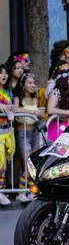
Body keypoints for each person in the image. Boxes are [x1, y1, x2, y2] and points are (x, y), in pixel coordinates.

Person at [13, 72, 45, 202]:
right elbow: (15, 109)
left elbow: (38, 114)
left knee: (33, 163)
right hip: (22, 132)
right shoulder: (17, 98)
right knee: (26, 163)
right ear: (22, 84)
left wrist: (39, 114)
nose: (32, 85)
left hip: (34, 133)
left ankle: (31, 190)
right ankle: (21, 192)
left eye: (33, 83)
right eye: (29, 83)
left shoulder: (36, 99)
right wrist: (33, 112)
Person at [0, 65, 14, 205]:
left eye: (5, 73)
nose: (4, 76)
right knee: (2, 165)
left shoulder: (9, 93)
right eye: (1, 73)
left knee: (4, 165)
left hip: (8, 131)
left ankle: (1, 190)